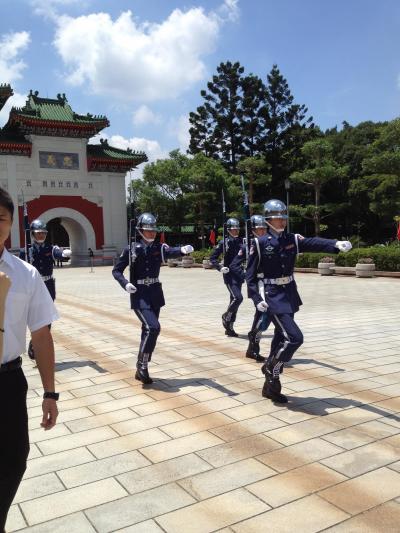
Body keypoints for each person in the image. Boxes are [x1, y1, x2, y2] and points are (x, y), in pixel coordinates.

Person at [246, 199, 352, 403]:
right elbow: (250, 276)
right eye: (278, 218)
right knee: (294, 338)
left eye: (284, 217)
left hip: (289, 294)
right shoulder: (260, 243)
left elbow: (312, 242)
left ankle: (271, 386)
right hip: (272, 297)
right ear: (268, 220)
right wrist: (256, 298)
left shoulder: (292, 239)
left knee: (280, 339)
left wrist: (334, 244)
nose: (282, 221)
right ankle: (270, 367)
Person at [0, 188, 59, 532]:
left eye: (1, 218)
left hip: (7, 381)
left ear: (10, 224)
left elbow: (41, 335)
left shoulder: (26, 274)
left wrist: (50, 393)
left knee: (13, 460)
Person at [112, 213, 194, 384]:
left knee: (148, 330)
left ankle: (142, 366)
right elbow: (116, 271)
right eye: (148, 230)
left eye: (154, 230)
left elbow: (170, 252)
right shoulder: (131, 249)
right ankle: (142, 364)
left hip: (155, 294)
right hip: (139, 294)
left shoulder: (159, 247)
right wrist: (125, 284)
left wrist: (182, 250)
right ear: (140, 231)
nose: (152, 233)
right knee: (153, 327)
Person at [20, 219, 71, 360]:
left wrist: (64, 253)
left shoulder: (50, 248)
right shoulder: (26, 251)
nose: (41, 235)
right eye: (38, 233)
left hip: (48, 286)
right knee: (35, 316)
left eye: (43, 233)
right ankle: (35, 341)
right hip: (33, 287)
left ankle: (34, 343)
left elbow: (58, 253)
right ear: (32, 234)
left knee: (47, 317)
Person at [230, 214, 271, 361]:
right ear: (253, 230)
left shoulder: (269, 243)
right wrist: (247, 276)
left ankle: (252, 348)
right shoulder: (247, 246)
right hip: (258, 286)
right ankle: (253, 346)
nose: (263, 231)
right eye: (259, 229)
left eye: (264, 228)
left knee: (263, 316)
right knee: (263, 314)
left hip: (270, 285)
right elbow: (234, 265)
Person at [209, 218, 244, 337]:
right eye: (233, 229)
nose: (236, 231)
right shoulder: (224, 242)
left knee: (234, 301)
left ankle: (229, 327)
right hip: (229, 275)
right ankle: (226, 316)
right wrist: (220, 267)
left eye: (237, 229)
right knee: (237, 298)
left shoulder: (241, 241)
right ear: (228, 230)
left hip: (239, 274)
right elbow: (213, 258)